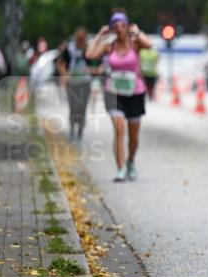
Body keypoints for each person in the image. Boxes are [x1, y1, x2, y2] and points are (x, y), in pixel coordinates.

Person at [85, 11, 154, 182]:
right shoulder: (110, 46)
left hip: (135, 92)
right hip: (114, 92)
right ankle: (120, 168)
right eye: (115, 26)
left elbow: (150, 44)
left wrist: (137, 32)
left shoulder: (135, 43)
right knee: (119, 129)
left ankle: (130, 162)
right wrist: (100, 35)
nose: (119, 29)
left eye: (123, 25)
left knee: (134, 136)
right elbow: (90, 55)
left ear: (127, 26)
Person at [56, 27, 93, 143]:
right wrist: (64, 74)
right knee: (73, 107)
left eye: (83, 39)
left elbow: (96, 64)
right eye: (79, 39)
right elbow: (60, 63)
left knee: (82, 107)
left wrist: (92, 70)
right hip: (72, 83)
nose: (81, 42)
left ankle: (80, 130)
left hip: (85, 82)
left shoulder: (89, 49)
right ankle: (72, 130)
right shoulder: (68, 49)